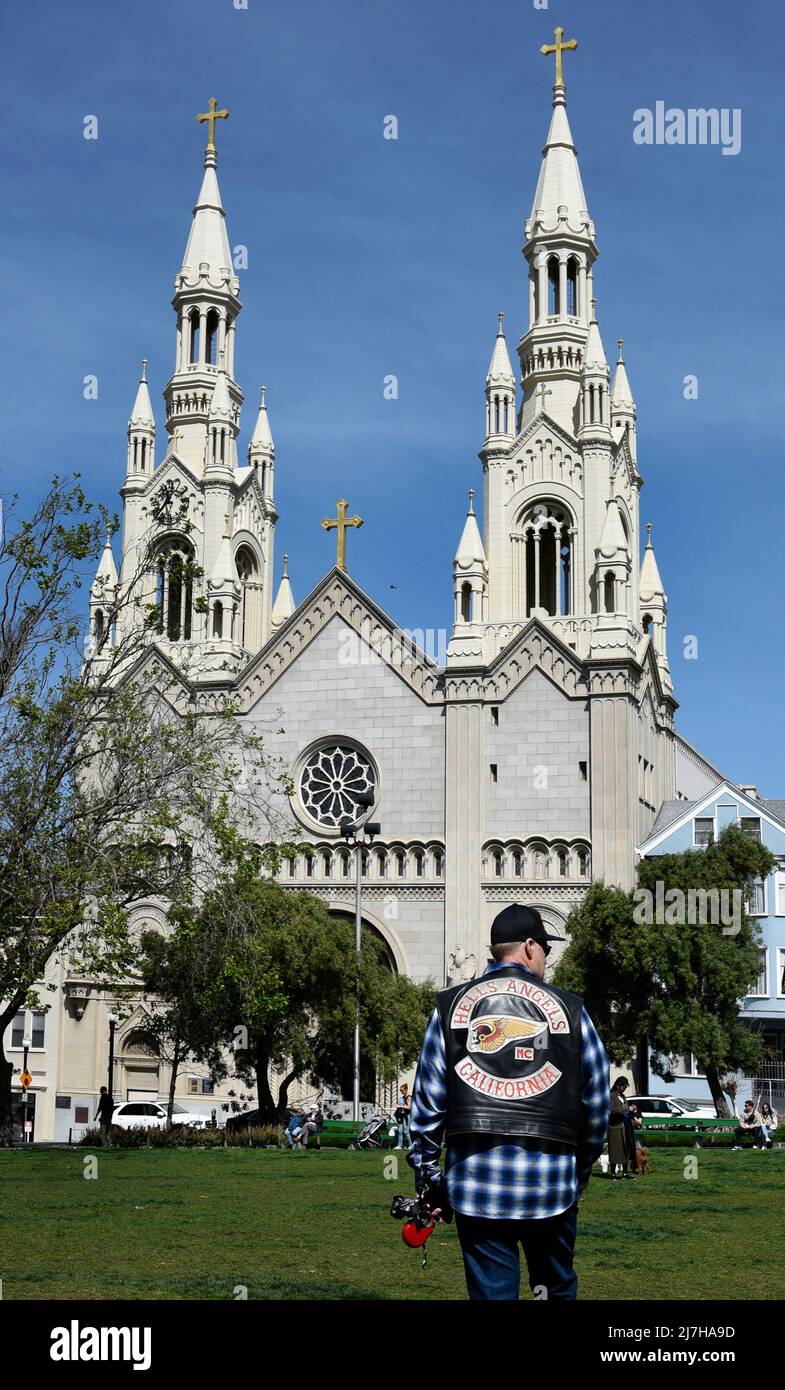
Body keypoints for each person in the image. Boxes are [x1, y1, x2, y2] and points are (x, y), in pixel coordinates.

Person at [407, 904, 610, 1301]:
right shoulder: (571, 1009)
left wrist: (430, 1179)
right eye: (546, 951)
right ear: (531, 947)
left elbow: (427, 1103)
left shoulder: (449, 1007)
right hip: (551, 1186)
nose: (546, 961)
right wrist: (581, 1168)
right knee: (553, 1292)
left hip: (475, 1185)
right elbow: (598, 1099)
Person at [608, 1077, 637, 1179]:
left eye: (625, 1087)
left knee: (626, 1149)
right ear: (618, 1086)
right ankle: (613, 1173)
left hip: (625, 1125)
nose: (624, 1089)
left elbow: (626, 1110)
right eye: (623, 1087)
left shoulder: (623, 1096)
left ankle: (625, 1173)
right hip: (615, 1126)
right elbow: (612, 1110)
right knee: (615, 1150)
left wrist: (631, 1110)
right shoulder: (611, 1096)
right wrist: (626, 1108)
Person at [394, 1083, 412, 1150]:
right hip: (402, 1115)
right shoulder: (402, 1097)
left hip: (407, 1116)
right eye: (400, 1090)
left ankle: (410, 1145)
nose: (401, 1092)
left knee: (406, 1131)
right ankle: (399, 1145)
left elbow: (409, 1107)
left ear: (406, 1089)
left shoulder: (408, 1097)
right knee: (400, 1131)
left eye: (402, 1090)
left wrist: (400, 1106)